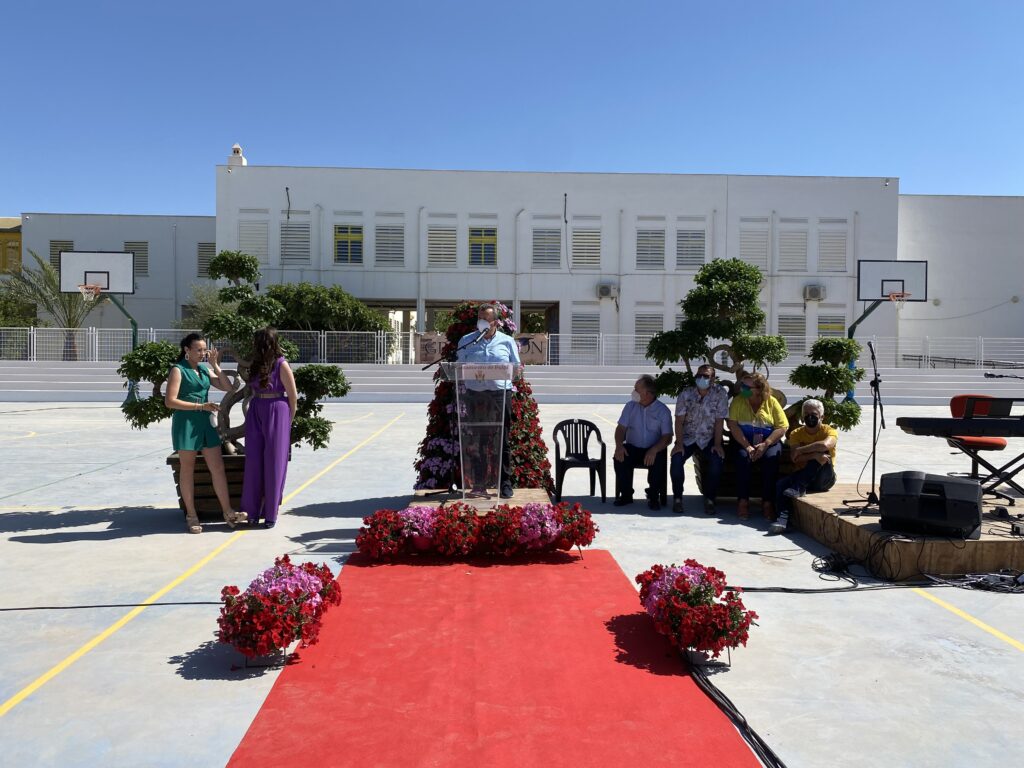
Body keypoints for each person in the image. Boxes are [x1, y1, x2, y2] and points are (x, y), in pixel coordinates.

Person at [165, 333, 245, 534]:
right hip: (186, 423)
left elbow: (229, 387)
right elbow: (170, 401)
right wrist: (200, 406)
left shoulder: (203, 369)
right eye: (198, 350)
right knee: (187, 469)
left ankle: (228, 512)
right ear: (187, 350)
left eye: (204, 349)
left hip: (206, 423)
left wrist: (215, 366)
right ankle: (191, 516)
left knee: (217, 468)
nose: (202, 353)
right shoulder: (178, 370)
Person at [455, 303, 522, 498]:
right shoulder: (466, 341)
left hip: (499, 395)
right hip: (475, 396)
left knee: (503, 439)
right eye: (480, 318)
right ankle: (478, 483)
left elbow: (516, 368)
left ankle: (505, 484)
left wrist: (511, 370)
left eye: (486, 319)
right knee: (478, 441)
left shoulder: (507, 341)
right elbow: (458, 366)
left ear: (495, 322)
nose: (482, 322)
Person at [240, 328, 298, 529]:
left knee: (274, 462)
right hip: (256, 408)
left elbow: (293, 396)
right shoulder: (255, 364)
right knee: (254, 460)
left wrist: (287, 423)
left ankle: (270, 513)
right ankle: (252, 511)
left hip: (277, 409)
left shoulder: (282, 364)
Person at [727, 371, 789, 521]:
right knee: (743, 459)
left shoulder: (772, 402)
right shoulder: (738, 401)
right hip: (744, 441)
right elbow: (733, 425)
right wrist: (747, 446)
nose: (743, 389)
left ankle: (767, 503)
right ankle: (743, 501)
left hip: (768, 442)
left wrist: (766, 444)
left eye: (747, 387)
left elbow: (782, 427)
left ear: (759, 389)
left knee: (771, 460)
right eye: (742, 386)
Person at [770, 398, 838, 535]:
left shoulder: (828, 431)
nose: (809, 417)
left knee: (822, 453)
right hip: (803, 475)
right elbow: (794, 458)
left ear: (822, 417)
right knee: (781, 484)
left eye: (813, 414)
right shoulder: (796, 433)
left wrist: (802, 450)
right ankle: (783, 520)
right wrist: (813, 455)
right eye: (806, 414)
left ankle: (798, 487)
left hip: (824, 478)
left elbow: (825, 445)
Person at [670, 363, 728, 514]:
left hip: (708, 438)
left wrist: (717, 444)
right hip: (688, 437)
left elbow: (719, 421)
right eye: (699, 376)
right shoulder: (686, 393)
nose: (702, 379)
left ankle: (710, 499)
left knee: (716, 460)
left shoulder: (720, 393)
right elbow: (679, 420)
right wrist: (679, 443)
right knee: (676, 459)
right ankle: (677, 498)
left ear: (713, 379)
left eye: (706, 376)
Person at [613, 375, 673, 510]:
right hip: (633, 447)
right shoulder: (630, 406)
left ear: (647, 393)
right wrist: (619, 446)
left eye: (636, 390)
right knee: (619, 457)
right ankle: (626, 494)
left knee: (659, 459)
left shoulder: (663, 411)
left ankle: (653, 496)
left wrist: (655, 449)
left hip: (654, 448)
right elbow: (620, 428)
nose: (633, 392)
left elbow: (667, 436)